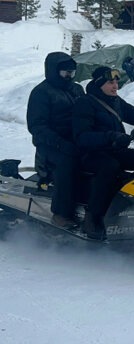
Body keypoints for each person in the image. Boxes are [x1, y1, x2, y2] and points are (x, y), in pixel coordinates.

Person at [72, 65, 134, 240]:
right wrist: (112, 137)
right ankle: (92, 217)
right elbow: (82, 137)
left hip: (115, 150)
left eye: (116, 81)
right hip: (90, 154)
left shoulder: (115, 100)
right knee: (110, 166)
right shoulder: (85, 103)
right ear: (100, 83)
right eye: (110, 82)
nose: (115, 85)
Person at [26, 51, 84, 229]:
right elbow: (36, 126)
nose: (69, 77)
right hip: (51, 145)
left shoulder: (76, 89)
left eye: (72, 73)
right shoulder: (41, 93)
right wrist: (60, 143)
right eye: (65, 73)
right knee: (67, 163)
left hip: (76, 139)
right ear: (53, 71)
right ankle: (61, 213)